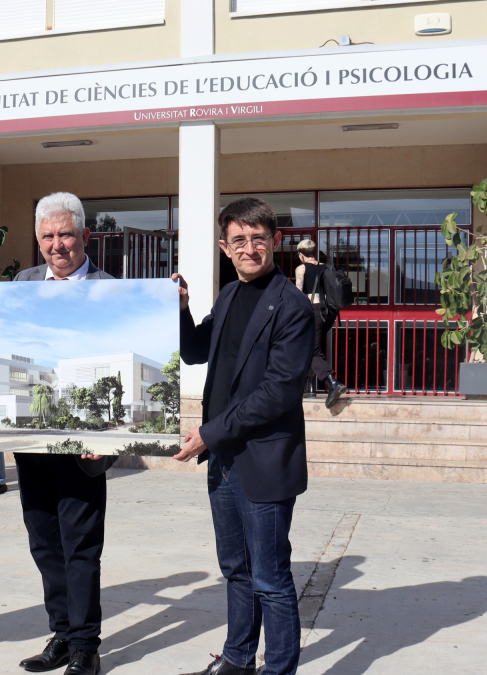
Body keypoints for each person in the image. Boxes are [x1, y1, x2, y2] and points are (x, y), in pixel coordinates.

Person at [173, 197, 315, 675]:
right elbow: (196, 352)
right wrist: (182, 308)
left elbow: (277, 392)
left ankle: (278, 669)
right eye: (239, 240)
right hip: (224, 460)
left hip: (264, 462)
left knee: (271, 579)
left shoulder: (292, 306)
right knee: (235, 570)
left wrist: (209, 433)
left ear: (275, 241)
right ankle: (236, 661)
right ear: (224, 247)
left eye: (258, 239)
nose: (249, 248)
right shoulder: (231, 295)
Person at [11, 192, 116, 675]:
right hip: (32, 445)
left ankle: (86, 647)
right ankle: (61, 633)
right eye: (48, 236)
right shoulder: (22, 284)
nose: (57, 245)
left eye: (66, 234)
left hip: (85, 448)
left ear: (85, 237)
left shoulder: (111, 290)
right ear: (38, 241)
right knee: (45, 544)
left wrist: (111, 443)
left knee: (81, 547)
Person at [294, 238, 347, 408]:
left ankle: (332, 382)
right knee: (311, 346)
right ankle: (309, 388)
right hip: (328, 313)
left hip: (313, 311)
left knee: (313, 351)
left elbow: (297, 294)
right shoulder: (326, 267)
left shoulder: (301, 268)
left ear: (301, 255)